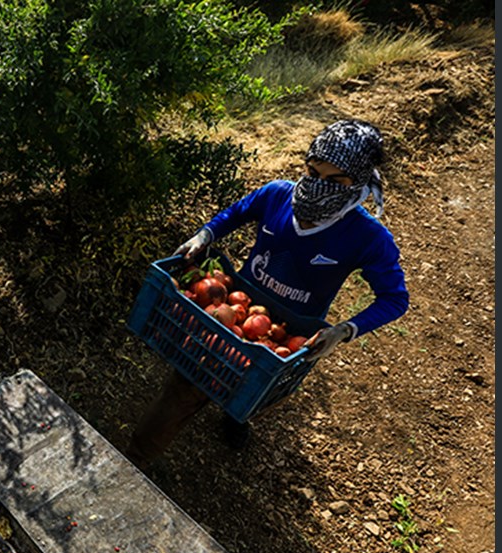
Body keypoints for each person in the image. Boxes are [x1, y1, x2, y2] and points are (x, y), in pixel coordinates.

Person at [125, 119, 409, 473]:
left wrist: (344, 330)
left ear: (360, 182)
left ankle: (237, 415)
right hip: (233, 313)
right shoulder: (277, 195)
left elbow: (395, 298)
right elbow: (237, 212)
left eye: (336, 181)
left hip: (287, 336)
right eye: (313, 172)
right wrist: (205, 235)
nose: (320, 186)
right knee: (185, 386)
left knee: (256, 392)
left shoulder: (368, 238)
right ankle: (134, 462)